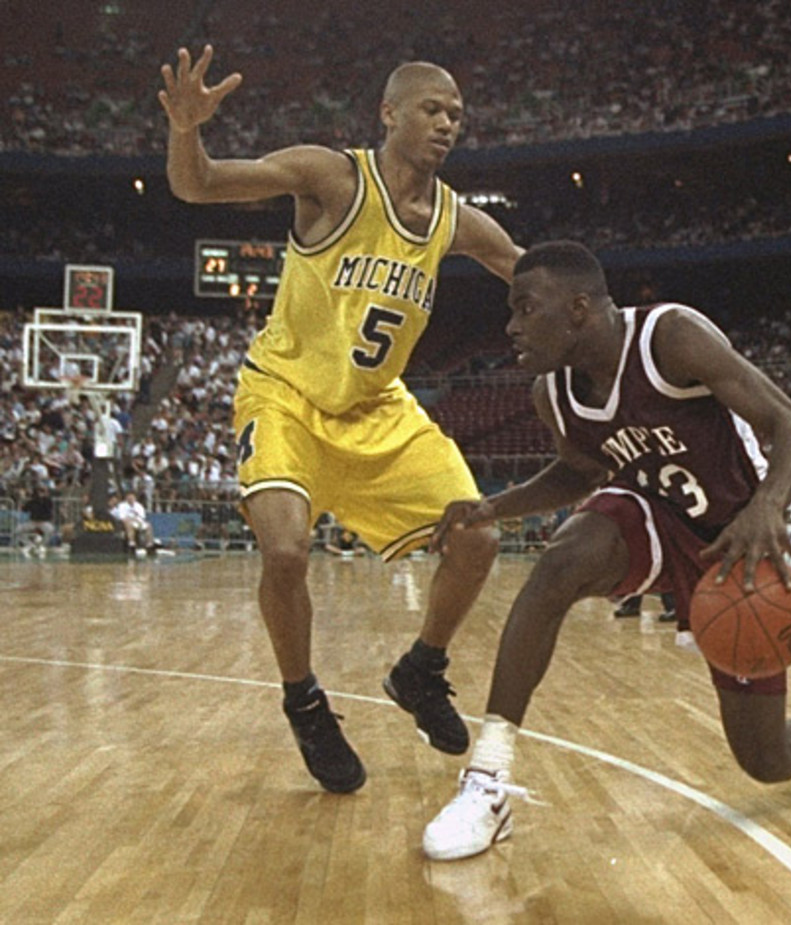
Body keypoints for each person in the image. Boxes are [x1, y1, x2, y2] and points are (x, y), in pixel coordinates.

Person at [420, 242, 791, 861]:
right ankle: (488, 781)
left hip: (733, 542)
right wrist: (491, 507)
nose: (511, 326)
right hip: (650, 518)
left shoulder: (670, 337)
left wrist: (767, 507)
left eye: (525, 308)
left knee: (765, 760)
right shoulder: (550, 394)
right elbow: (581, 473)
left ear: (579, 308)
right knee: (558, 565)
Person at [159, 46, 522, 792]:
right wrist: (187, 130)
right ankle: (306, 701)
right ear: (389, 113)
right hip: (286, 395)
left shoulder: (455, 219)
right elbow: (196, 185)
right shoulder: (333, 176)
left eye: (456, 113)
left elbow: (533, 272)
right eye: (432, 108)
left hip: (377, 410)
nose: (447, 122)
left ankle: (421, 670)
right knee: (287, 553)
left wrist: (614, 321)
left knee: (479, 533)